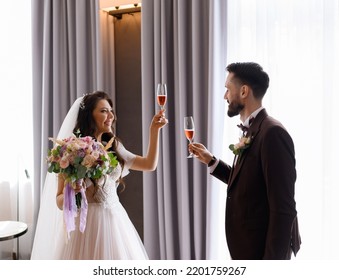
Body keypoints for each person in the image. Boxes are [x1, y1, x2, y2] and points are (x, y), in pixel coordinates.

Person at [31, 91, 167, 259]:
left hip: (115, 222)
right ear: (89, 115)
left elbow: (149, 164)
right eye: (103, 111)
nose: (110, 115)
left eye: (110, 110)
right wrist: (74, 190)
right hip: (85, 227)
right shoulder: (71, 151)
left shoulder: (114, 146)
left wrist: (154, 131)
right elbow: (59, 201)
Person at [189, 62, 301, 260]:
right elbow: (249, 184)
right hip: (247, 250)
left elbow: (284, 209)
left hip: (262, 253)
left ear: (243, 91)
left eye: (227, 89)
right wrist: (211, 161)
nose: (225, 96)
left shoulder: (272, 133)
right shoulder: (254, 129)